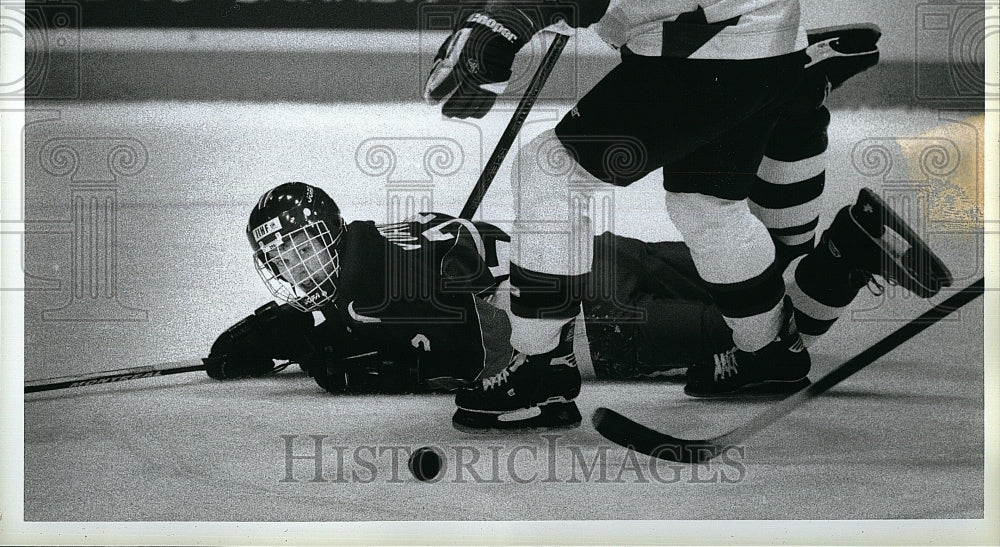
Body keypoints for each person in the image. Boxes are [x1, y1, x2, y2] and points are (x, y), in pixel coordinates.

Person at [419, 0, 947, 429]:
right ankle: (763, 353)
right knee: (706, 204)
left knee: (549, 170)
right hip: (762, 26)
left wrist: (498, 29)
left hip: (707, 52)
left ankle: (541, 366)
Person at [205, 171, 951, 408]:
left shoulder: (360, 301)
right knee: (746, 277)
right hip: (586, 256)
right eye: (285, 258)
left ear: (328, 236)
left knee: (768, 339)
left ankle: (851, 250)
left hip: (597, 322)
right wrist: (295, 330)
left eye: (303, 248)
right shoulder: (376, 235)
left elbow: (401, 355)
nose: (298, 269)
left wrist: (318, 350)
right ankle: (841, 235)